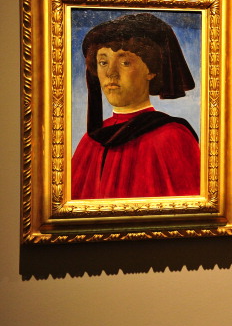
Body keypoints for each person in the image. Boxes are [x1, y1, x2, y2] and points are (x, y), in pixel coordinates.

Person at [71, 13, 201, 199]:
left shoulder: (172, 138)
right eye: (102, 62)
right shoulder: (90, 141)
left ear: (151, 70)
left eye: (125, 62)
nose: (110, 73)